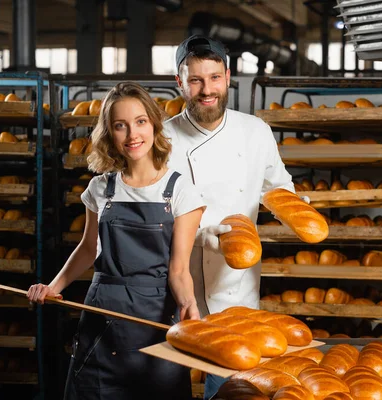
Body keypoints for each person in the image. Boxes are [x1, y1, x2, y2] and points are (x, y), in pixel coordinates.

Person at [27, 82, 205, 400]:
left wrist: (188, 304)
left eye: (139, 122)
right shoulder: (101, 188)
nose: (132, 135)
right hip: (101, 320)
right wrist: (54, 287)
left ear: (153, 124)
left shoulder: (181, 191)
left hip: (156, 322)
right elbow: (86, 249)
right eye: (120, 126)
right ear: (110, 133)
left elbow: (179, 270)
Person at [164, 35, 299, 399]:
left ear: (228, 75)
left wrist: (296, 208)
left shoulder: (256, 132)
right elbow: (149, 214)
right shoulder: (162, 139)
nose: (206, 90)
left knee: (230, 385)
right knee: (166, 377)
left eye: (214, 78)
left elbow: (279, 185)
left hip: (237, 283)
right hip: (177, 281)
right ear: (179, 82)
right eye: (195, 80)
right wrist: (200, 235)